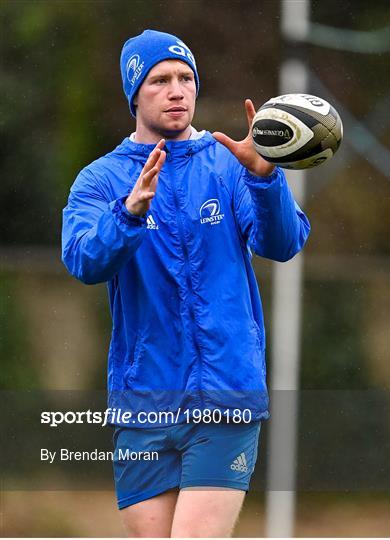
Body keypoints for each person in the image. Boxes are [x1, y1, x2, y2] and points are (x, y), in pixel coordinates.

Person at [61, 29, 310, 538]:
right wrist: (128, 213)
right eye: (160, 80)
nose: (176, 90)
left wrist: (265, 179)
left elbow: (283, 243)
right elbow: (83, 261)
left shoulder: (229, 161)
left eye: (185, 78)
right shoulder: (101, 180)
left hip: (227, 395)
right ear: (135, 93)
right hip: (144, 402)